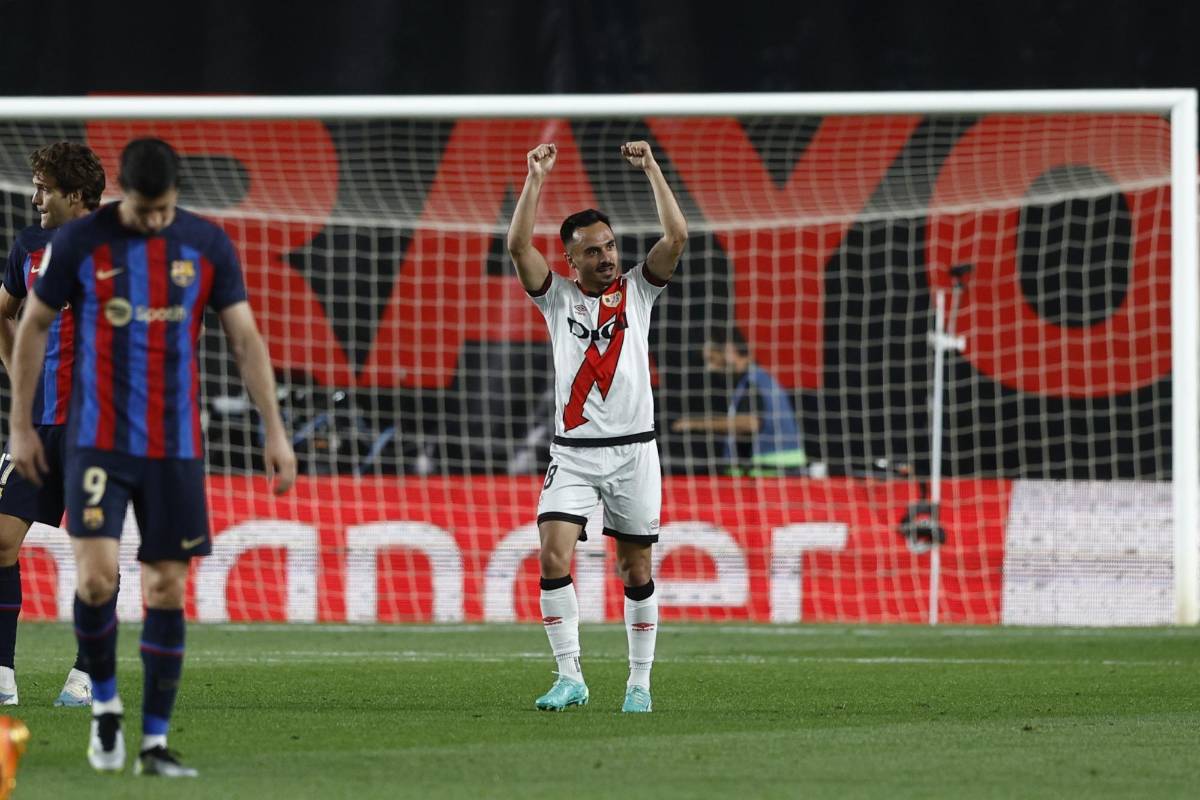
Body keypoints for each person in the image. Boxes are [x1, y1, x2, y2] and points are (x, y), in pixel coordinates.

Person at [8, 138, 297, 777]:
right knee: (95, 580)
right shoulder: (80, 242)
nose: (156, 219)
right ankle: (105, 704)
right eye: (146, 210)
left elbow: (244, 337)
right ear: (125, 197)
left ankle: (154, 744)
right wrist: (21, 424)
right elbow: (31, 325)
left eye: (165, 209)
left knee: (166, 586)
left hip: (174, 444)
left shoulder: (205, 243)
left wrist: (274, 430)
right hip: (96, 437)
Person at [507, 141, 686, 714]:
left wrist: (652, 168)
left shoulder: (639, 290)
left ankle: (639, 684)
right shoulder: (556, 300)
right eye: (593, 250)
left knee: (635, 569)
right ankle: (570, 677)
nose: (607, 257)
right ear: (571, 261)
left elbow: (676, 236)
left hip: (635, 454)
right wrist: (535, 179)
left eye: (610, 246)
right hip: (575, 454)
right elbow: (518, 246)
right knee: (552, 556)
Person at [0, 142, 107, 709]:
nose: (35, 198)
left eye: (44, 188)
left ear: (76, 195)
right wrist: (21, 380)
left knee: (95, 558)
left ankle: (87, 673)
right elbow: (2, 311)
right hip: (38, 426)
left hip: (100, 429)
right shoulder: (29, 247)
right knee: (0, 539)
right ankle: (2, 673)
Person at [671, 326, 806, 475]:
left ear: (730, 351)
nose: (710, 368)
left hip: (773, 472)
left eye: (712, 359)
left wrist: (695, 424)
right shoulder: (755, 379)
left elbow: (750, 423)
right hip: (774, 470)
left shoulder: (754, 381)